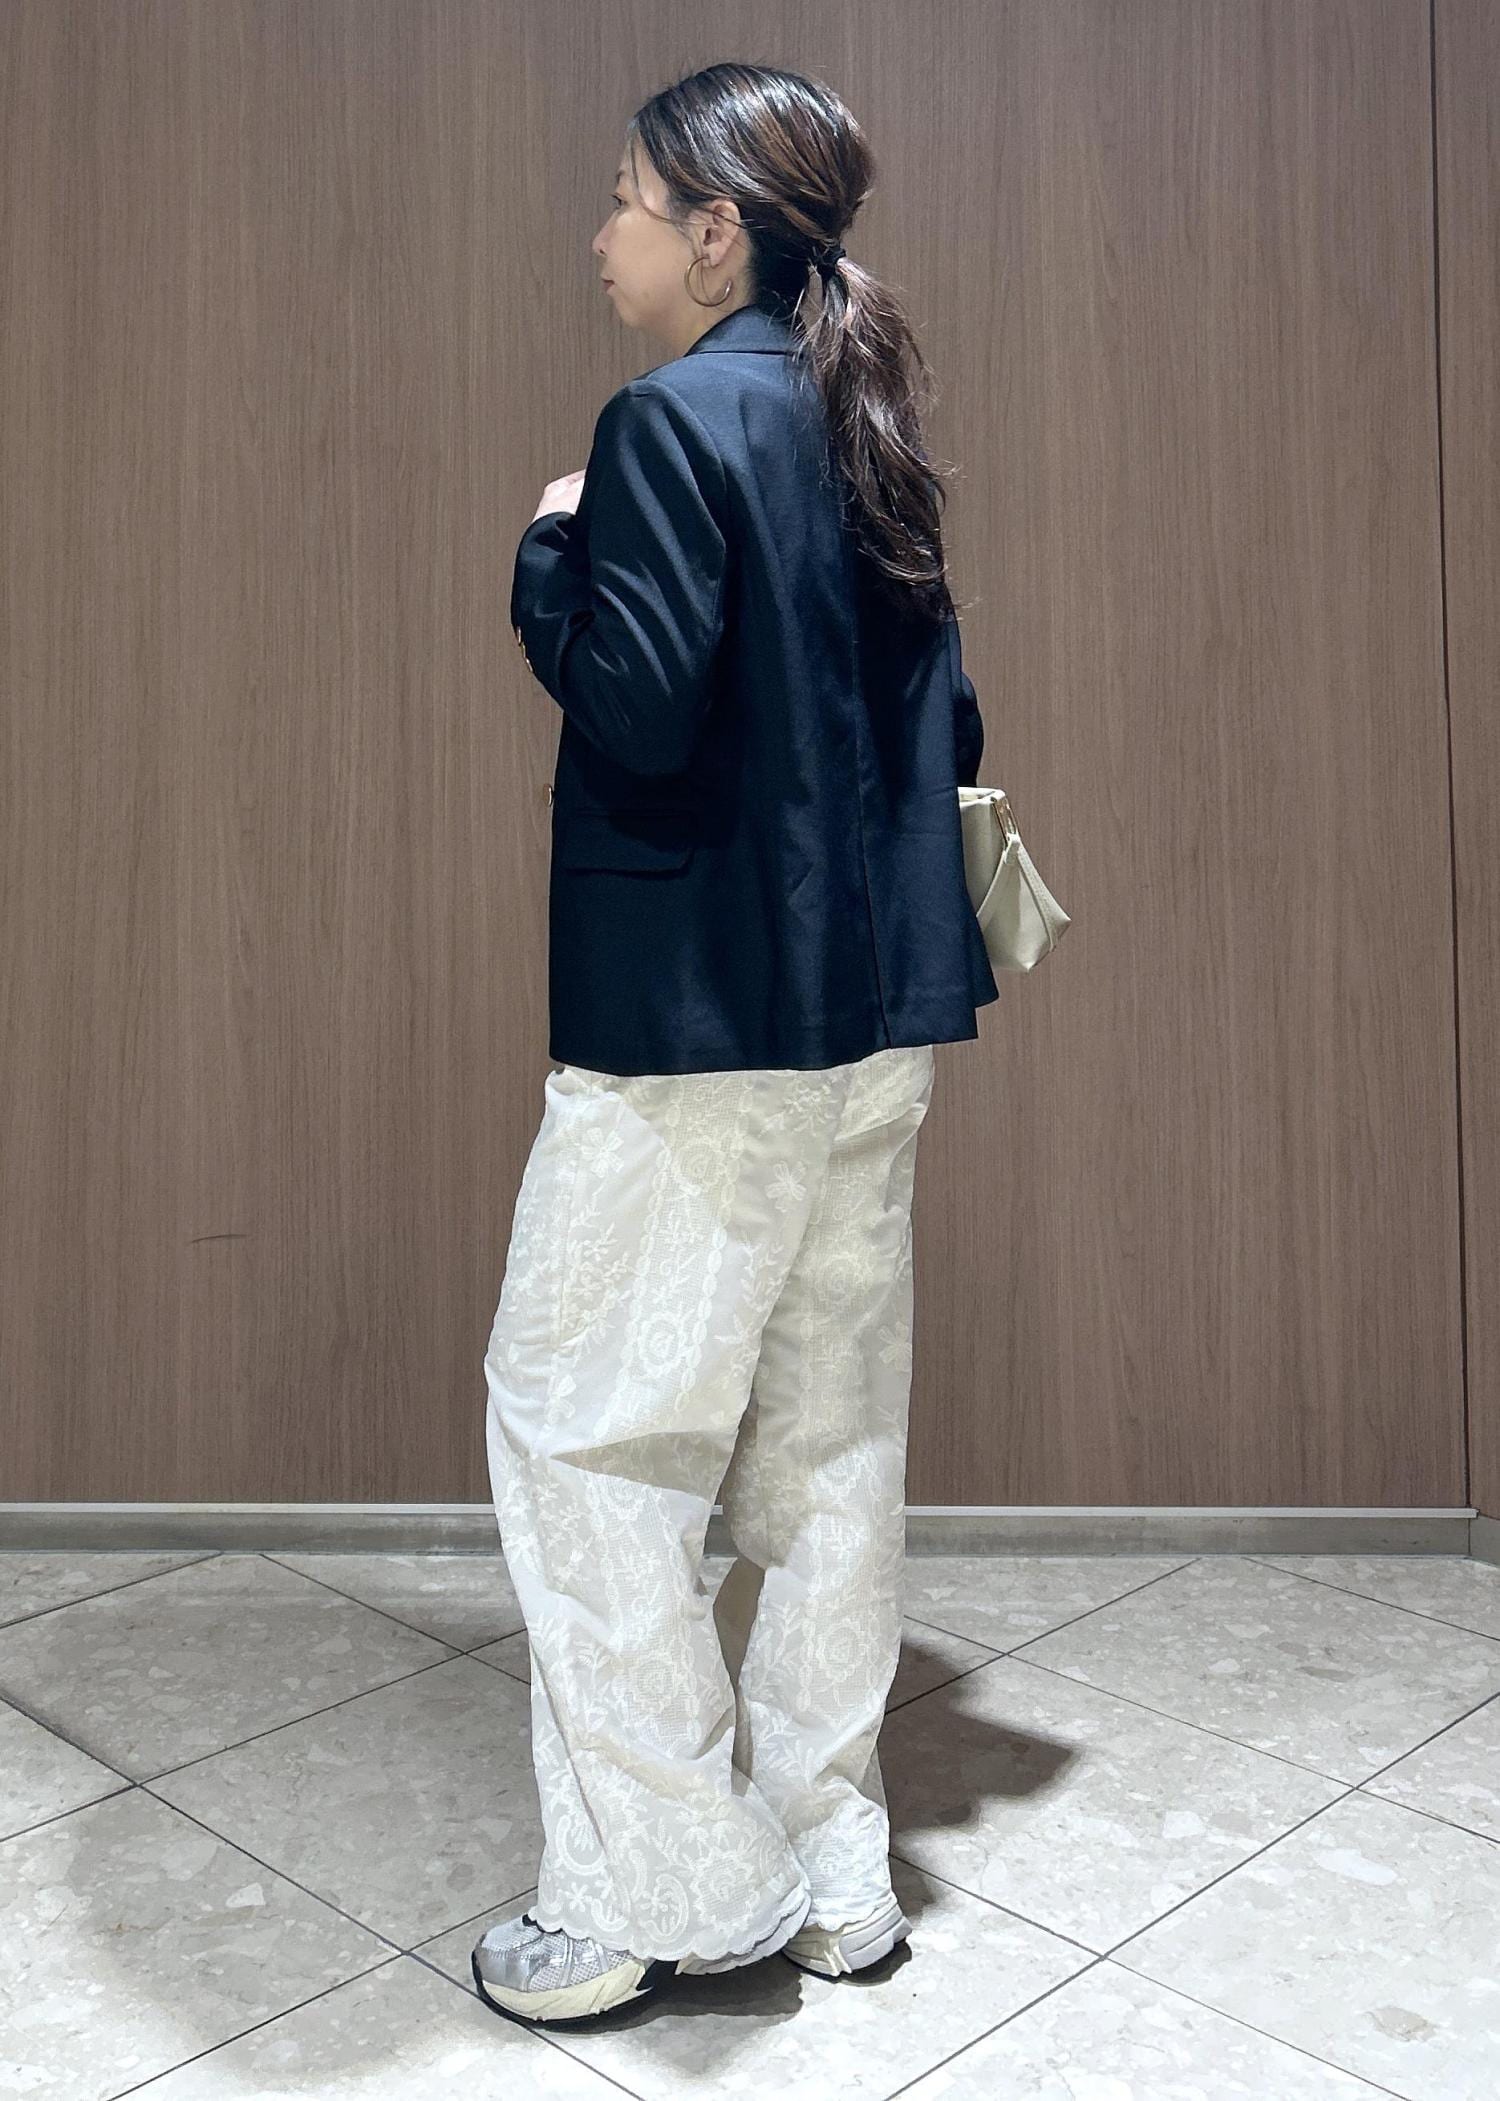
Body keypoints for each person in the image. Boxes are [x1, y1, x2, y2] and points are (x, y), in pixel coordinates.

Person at [473, 60, 997, 2031]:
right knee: (828, 1447)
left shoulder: (667, 425)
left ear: (716, 236)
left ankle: (656, 1892)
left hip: (697, 1037)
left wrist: (554, 550)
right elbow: (946, 729)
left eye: (626, 200)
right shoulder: (873, 431)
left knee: (588, 1438)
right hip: (871, 1032)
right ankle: (834, 1870)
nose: (598, 233)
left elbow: (634, 706)